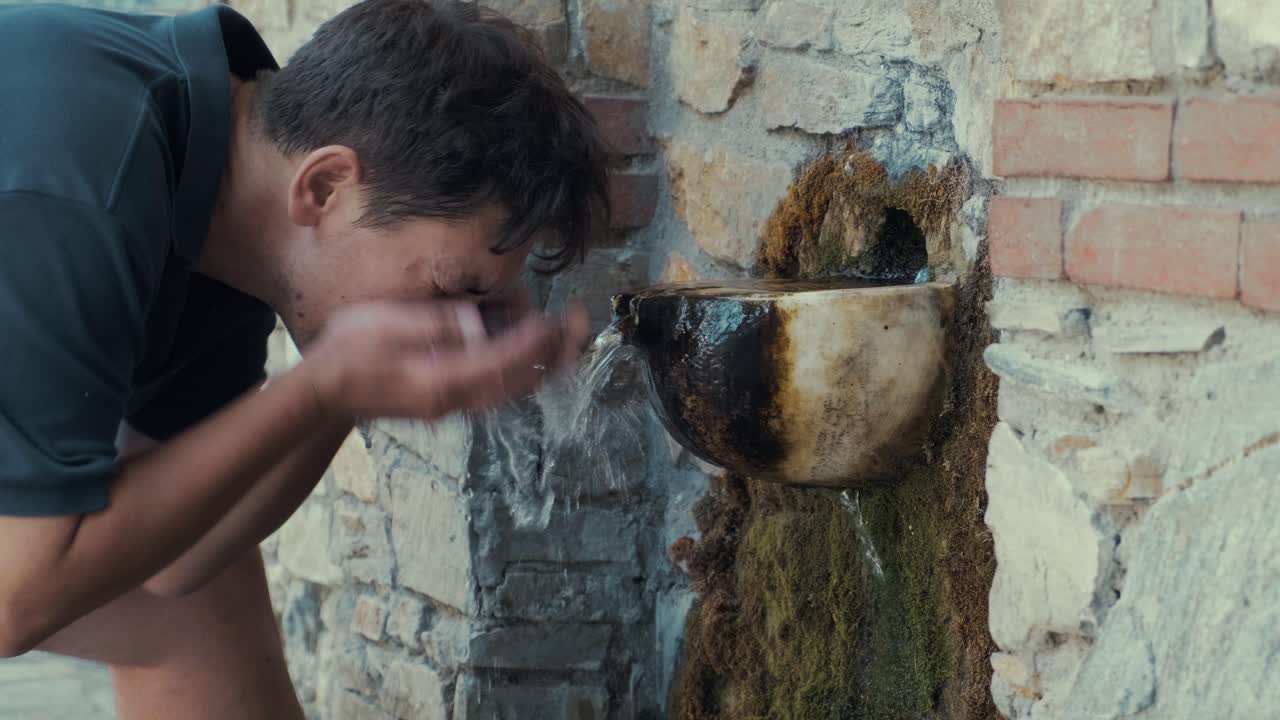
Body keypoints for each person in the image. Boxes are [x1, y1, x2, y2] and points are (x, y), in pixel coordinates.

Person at [0, 0, 609, 717]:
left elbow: (181, 561)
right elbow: (17, 596)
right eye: (449, 288)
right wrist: (322, 385)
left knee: (196, 608)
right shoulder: (82, 183)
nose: (460, 328)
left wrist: (348, 393)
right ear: (325, 185)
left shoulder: (222, 203)